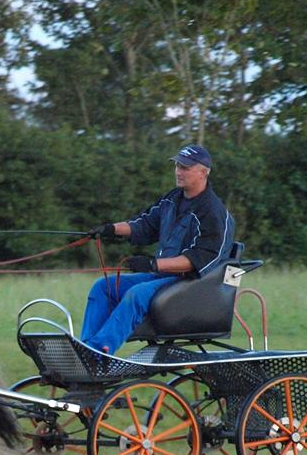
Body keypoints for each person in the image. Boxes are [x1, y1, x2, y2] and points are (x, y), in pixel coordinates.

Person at [80, 144, 234, 354]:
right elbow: (144, 225)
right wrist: (111, 229)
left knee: (137, 293)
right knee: (104, 287)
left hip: (191, 284)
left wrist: (153, 263)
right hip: (163, 276)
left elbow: (199, 259)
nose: (179, 172)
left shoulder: (213, 213)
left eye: (185, 167)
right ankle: (86, 349)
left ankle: (99, 353)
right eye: (178, 166)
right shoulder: (172, 199)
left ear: (203, 172)